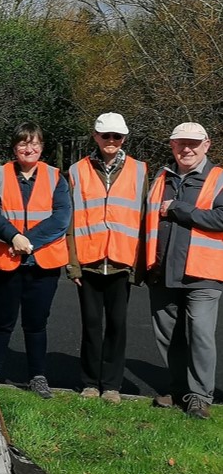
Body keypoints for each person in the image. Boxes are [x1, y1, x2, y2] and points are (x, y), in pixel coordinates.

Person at [0, 122, 70, 398]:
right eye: (23, 143)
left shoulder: (56, 177)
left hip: (42, 263)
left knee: (36, 323)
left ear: (42, 147)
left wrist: (26, 242)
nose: (29, 148)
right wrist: (13, 237)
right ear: (14, 147)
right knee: (2, 321)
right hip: (5, 260)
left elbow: (61, 218)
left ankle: (37, 376)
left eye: (34, 143)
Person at [67, 113, 146, 403]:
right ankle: (90, 383)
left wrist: (138, 265)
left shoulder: (140, 170)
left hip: (121, 263)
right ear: (96, 136)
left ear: (124, 138)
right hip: (88, 262)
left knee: (117, 325)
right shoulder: (77, 170)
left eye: (117, 136)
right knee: (90, 325)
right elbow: (69, 220)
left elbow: (143, 219)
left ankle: (111, 385)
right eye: (106, 135)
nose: (111, 141)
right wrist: (73, 264)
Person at [146, 122, 223, 419]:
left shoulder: (218, 178)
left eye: (193, 143)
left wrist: (180, 208)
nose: (187, 149)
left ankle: (200, 396)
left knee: (200, 334)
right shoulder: (161, 177)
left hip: (204, 274)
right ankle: (178, 390)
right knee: (168, 336)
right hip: (163, 271)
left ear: (206, 145)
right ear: (172, 145)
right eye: (181, 143)